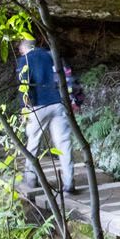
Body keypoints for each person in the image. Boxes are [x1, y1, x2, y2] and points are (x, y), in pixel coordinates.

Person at [16, 37, 76, 194]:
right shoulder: (51, 55)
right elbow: (66, 76)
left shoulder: (25, 60)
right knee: (63, 143)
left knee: (33, 142)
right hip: (58, 103)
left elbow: (24, 86)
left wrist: (25, 109)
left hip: (38, 106)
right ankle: (69, 183)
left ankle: (31, 179)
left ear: (23, 49)